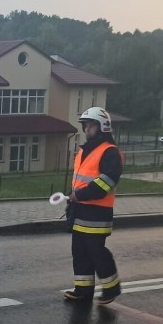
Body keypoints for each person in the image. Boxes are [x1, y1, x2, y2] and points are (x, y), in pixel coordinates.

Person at [62, 107, 123, 305]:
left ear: (102, 127)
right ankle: (83, 290)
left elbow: (105, 183)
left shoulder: (110, 152)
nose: (86, 129)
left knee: (96, 251)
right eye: (85, 125)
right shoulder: (85, 150)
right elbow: (79, 180)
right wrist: (72, 198)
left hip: (97, 212)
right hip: (80, 210)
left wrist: (78, 195)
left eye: (90, 125)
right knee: (79, 251)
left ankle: (111, 287)